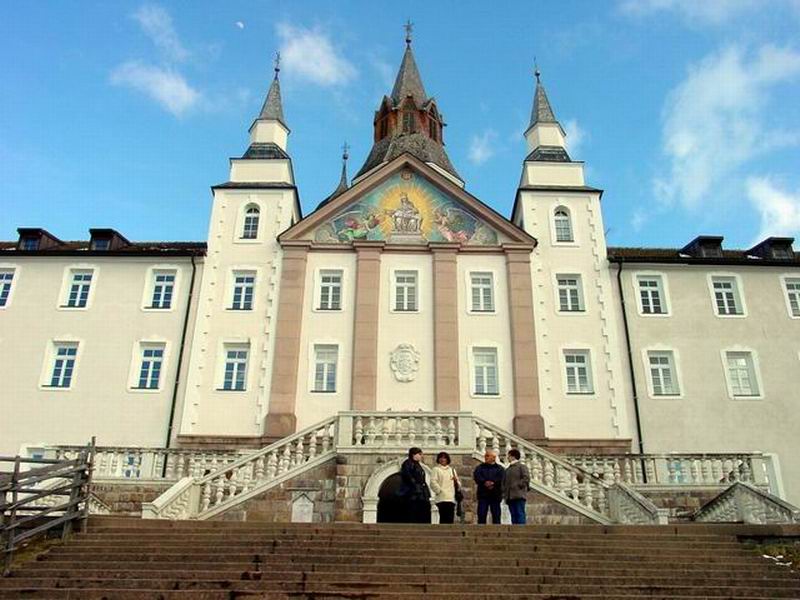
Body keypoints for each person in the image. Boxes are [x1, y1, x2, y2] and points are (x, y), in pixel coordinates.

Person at [398, 447, 431, 523]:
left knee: (420, 507)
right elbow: (408, 476)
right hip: (412, 491)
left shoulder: (418, 465)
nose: (421, 456)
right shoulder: (408, 463)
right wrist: (415, 485)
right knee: (412, 507)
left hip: (419, 491)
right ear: (413, 454)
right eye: (419, 454)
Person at [473, 450, 505, 524]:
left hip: (495, 495)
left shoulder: (500, 468)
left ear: (493, 458)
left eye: (487, 456)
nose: (485, 457)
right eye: (485, 456)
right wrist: (485, 482)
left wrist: (493, 483)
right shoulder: (479, 468)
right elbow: (477, 477)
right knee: (481, 514)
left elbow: (501, 479)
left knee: (496, 515)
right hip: (483, 494)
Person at [430, 451, 461, 524]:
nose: (443, 459)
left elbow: (458, 485)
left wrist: (456, 481)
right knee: (443, 517)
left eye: (444, 458)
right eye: (441, 458)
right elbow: (433, 482)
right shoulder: (436, 469)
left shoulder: (452, 470)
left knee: (450, 518)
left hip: (451, 498)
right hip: (442, 498)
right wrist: (439, 491)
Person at [503, 448, 530, 525]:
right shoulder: (507, 470)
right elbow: (504, 483)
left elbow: (526, 478)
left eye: (509, 456)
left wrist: (517, 485)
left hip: (519, 495)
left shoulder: (522, 467)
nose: (507, 458)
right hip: (510, 496)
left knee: (520, 514)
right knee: (513, 516)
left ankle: (522, 532)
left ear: (513, 456)